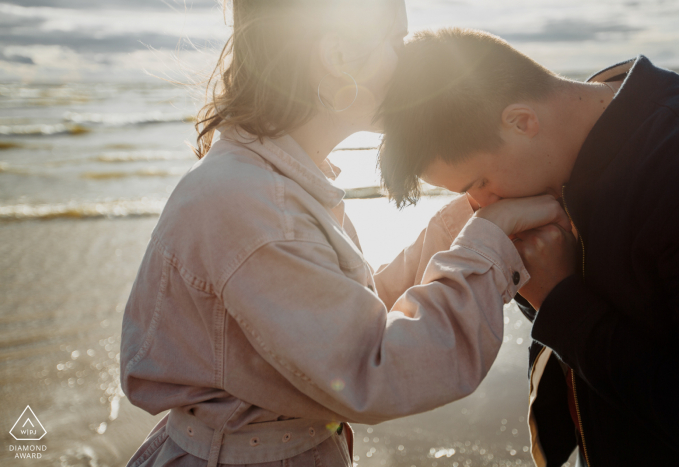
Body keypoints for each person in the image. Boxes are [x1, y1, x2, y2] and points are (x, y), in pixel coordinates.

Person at [119, 4, 570, 467]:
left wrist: (467, 221)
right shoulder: (255, 205)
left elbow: (351, 314)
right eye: (397, 40)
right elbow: (374, 370)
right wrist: (488, 243)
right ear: (337, 55)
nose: (409, 56)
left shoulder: (273, 179)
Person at [378, 27, 679, 466]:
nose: (481, 207)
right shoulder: (573, 150)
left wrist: (560, 301)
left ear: (521, 121)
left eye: (479, 184)